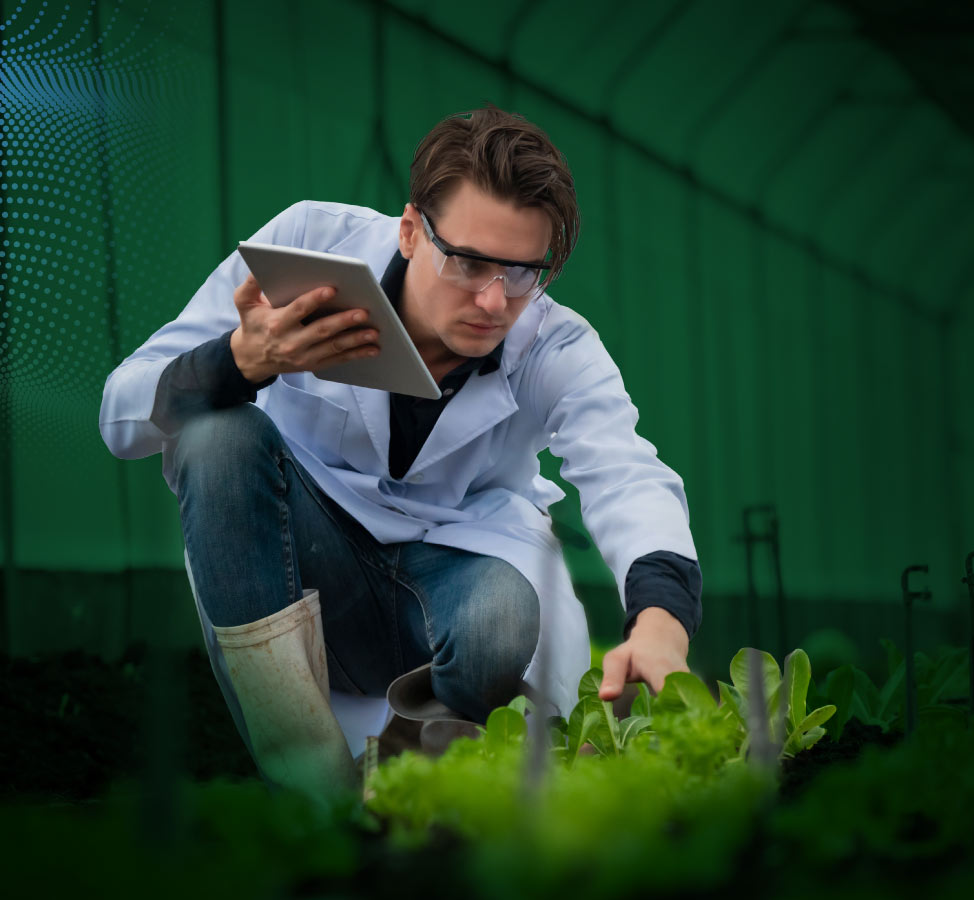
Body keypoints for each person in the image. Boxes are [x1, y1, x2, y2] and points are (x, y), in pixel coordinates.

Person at [97, 104, 702, 803]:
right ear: (412, 230)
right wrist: (241, 360)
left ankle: (425, 789)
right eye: (469, 261)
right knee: (217, 435)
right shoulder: (309, 250)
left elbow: (626, 474)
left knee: (500, 619)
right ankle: (311, 792)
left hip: (456, 575)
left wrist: (660, 622)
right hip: (309, 564)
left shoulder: (554, 345)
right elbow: (122, 415)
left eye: (522, 272)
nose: (492, 299)